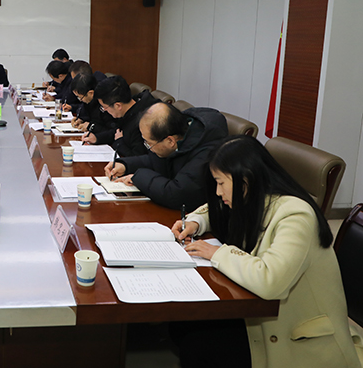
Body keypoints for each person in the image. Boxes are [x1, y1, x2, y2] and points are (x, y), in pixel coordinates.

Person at [170, 135, 361, 368]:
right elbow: (217, 208)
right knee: (185, 326)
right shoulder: (256, 197)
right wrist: (196, 221)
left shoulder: (295, 215)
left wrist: (216, 253)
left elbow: (270, 281)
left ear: (245, 179)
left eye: (221, 183)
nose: (218, 192)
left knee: (197, 345)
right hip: (265, 316)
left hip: (297, 337)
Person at [105, 102, 228, 210]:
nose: (148, 147)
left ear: (170, 141)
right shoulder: (178, 133)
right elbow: (157, 160)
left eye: (149, 143)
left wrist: (137, 177)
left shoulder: (206, 151)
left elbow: (178, 194)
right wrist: (125, 165)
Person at [84, 75, 158, 157]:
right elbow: (117, 132)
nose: (104, 110)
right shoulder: (130, 107)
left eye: (104, 107)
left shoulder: (144, 121)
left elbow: (137, 157)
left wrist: (119, 142)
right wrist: (97, 138)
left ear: (118, 106)